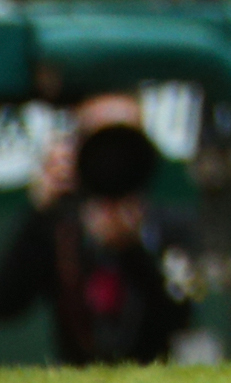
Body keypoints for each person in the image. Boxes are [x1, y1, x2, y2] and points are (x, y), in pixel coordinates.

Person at [0, 104, 196, 364]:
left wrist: (133, 247)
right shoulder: (62, 228)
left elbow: (182, 317)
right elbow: (9, 303)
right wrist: (40, 211)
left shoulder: (169, 226)